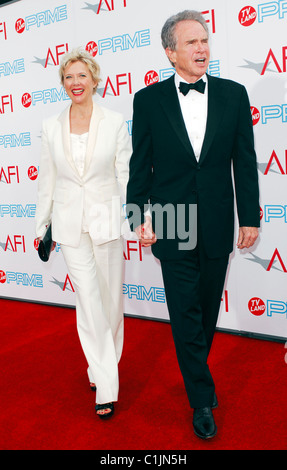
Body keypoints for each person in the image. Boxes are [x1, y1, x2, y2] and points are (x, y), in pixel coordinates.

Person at [126, 11, 260, 440]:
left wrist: (251, 217)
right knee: (184, 314)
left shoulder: (233, 94)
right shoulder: (148, 100)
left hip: (219, 217)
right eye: (191, 42)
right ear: (170, 52)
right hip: (172, 218)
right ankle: (201, 399)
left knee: (204, 310)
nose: (202, 48)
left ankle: (196, 373)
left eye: (204, 40)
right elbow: (139, 165)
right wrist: (137, 216)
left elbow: (245, 161)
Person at [35, 48, 131, 419]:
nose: (75, 83)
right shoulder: (50, 125)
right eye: (68, 77)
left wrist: (139, 215)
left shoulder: (115, 121)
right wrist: (42, 223)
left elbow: (126, 174)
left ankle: (99, 366)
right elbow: (48, 179)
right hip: (69, 225)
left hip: (106, 221)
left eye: (81, 76)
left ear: (94, 79)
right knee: (89, 301)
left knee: (109, 304)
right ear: (63, 84)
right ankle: (107, 385)